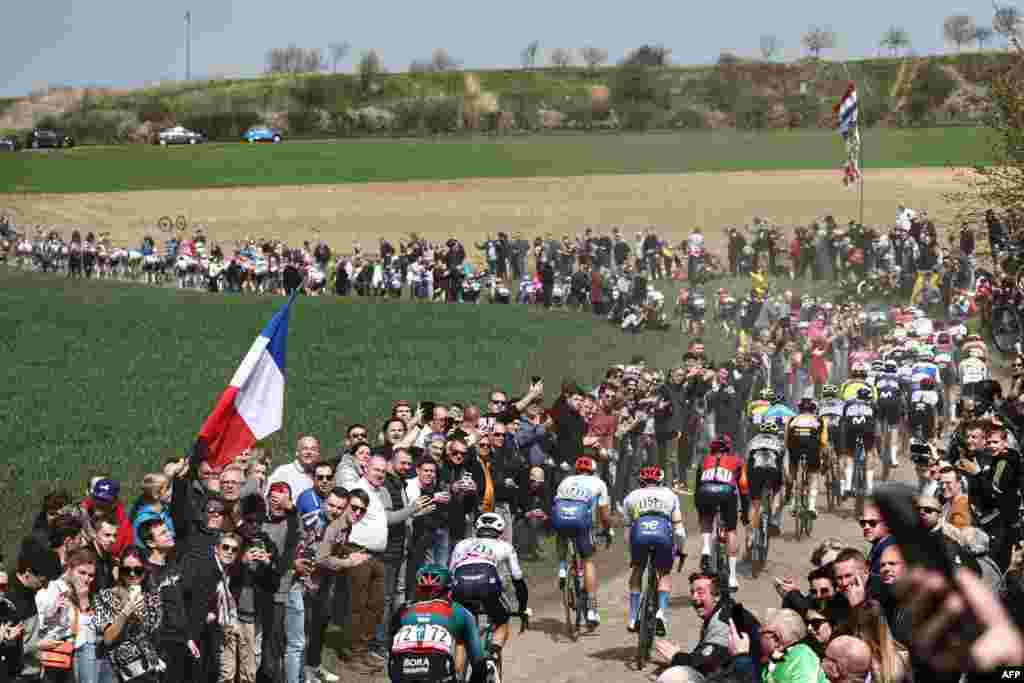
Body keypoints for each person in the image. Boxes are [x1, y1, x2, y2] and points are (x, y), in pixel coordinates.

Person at [448, 513, 528, 662]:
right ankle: (493, 654)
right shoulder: (505, 546)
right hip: (487, 587)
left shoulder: (462, 544)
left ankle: (458, 676)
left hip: (461, 587)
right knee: (502, 622)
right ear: (501, 531)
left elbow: (450, 573)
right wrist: (523, 608)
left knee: (462, 636)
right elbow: (518, 579)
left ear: (476, 528)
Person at [387, 565, 487, 683]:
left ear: (417, 589)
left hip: (401, 671)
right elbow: (478, 661)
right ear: (449, 591)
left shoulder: (403, 610)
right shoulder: (459, 611)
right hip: (438, 672)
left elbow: (391, 647)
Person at [622, 466, 686, 636]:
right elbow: (679, 530)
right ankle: (661, 614)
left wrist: (632, 554)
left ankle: (633, 616)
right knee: (664, 572)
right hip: (662, 534)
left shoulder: (630, 497)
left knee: (637, 570)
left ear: (641, 482)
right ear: (660, 481)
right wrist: (680, 549)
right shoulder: (670, 495)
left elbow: (627, 532)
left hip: (639, 533)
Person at [551, 455, 612, 627]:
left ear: (576, 470)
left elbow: (557, 504)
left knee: (561, 534)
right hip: (583, 525)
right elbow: (604, 515)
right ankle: (592, 609)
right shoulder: (599, 483)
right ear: (593, 471)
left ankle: (562, 567)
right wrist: (607, 529)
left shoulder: (565, 481)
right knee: (588, 561)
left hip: (562, 520)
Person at [93, 546, 164, 683]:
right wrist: (126, 611)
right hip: (118, 672)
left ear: (145, 571)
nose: (132, 574)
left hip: (147, 669)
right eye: (126, 570)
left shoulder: (152, 597)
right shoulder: (104, 596)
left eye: (138, 570)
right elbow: (107, 638)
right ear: (120, 570)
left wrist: (141, 613)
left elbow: (153, 632)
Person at [652, 573, 731, 683]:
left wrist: (677, 657)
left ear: (717, 596)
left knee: (672, 677)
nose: (694, 597)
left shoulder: (722, 621)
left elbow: (705, 662)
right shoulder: (721, 612)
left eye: (700, 592)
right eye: (692, 592)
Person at [695, 437, 749, 591]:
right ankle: (732, 577)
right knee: (731, 530)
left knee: (706, 518)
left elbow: (697, 487)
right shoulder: (737, 460)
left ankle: (706, 548)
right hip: (726, 493)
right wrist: (745, 512)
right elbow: (743, 486)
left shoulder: (704, 460)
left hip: (705, 491)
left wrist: (699, 509)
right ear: (728, 449)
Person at [786, 398, 828, 519]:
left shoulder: (792, 419)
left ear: (799, 409)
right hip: (811, 448)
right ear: (814, 409)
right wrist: (823, 458)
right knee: (814, 475)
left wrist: (789, 454)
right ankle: (811, 506)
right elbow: (824, 441)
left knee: (793, 471)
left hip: (795, 446)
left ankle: (793, 503)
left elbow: (787, 439)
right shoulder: (820, 419)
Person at [745, 421, 785, 539]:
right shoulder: (779, 442)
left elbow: (746, 461)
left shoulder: (752, 441)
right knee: (777, 491)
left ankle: (750, 537)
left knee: (754, 504)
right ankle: (773, 519)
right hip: (772, 470)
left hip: (755, 471)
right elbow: (784, 465)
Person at [840, 387, 878, 498]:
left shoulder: (849, 403)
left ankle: (847, 487)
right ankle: (870, 488)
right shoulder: (872, 404)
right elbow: (876, 418)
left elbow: (843, 417)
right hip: (867, 429)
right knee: (869, 453)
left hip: (851, 429)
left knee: (849, 455)